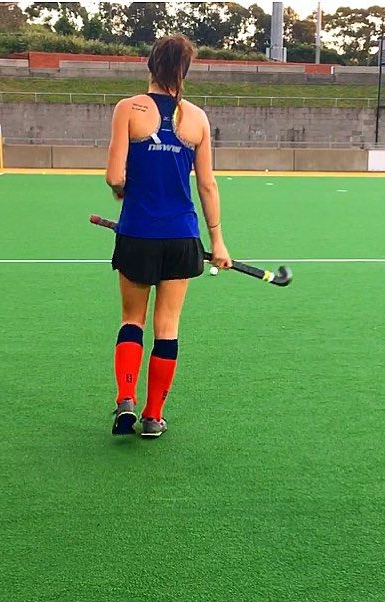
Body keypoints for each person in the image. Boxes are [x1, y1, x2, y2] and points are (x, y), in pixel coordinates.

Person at [105, 34, 231, 438]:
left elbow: (114, 176)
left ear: (150, 66)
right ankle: (153, 416)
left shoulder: (128, 109)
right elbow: (207, 185)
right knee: (168, 326)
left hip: (137, 233)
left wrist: (123, 191)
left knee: (132, 320)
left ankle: (126, 398)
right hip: (182, 237)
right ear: (185, 72)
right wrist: (218, 241)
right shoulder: (198, 119)